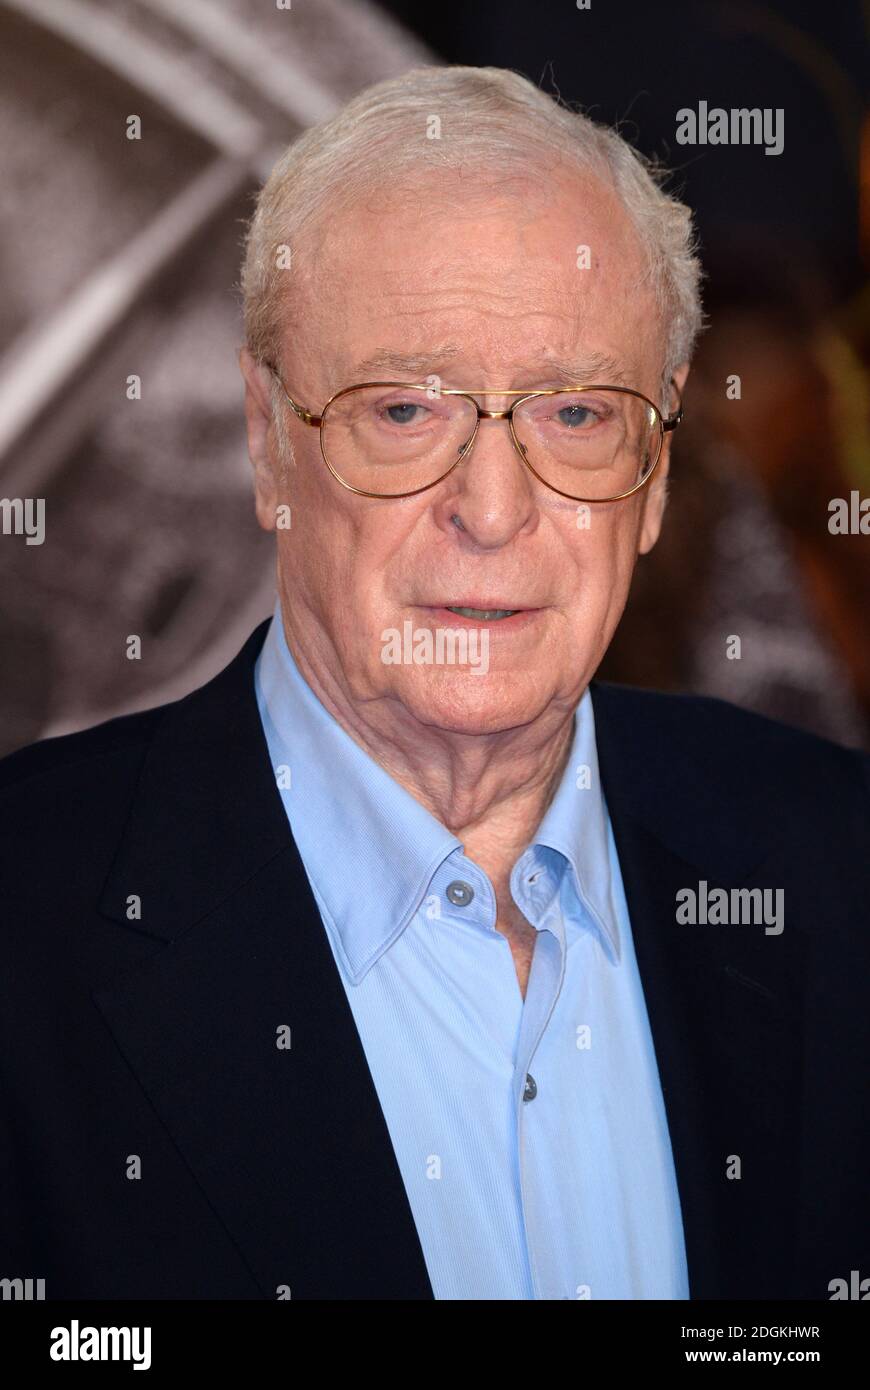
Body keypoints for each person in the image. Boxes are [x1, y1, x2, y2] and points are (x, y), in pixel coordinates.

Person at [1, 66, 867, 1302]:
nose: (494, 508)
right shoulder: (26, 924)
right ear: (267, 440)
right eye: (405, 409)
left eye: (576, 412)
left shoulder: (837, 867)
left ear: (661, 468)